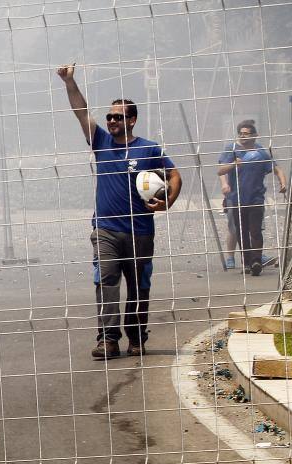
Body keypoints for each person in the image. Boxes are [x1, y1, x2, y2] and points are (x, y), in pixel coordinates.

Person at [57, 64, 182, 360]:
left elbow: (175, 176)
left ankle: (137, 337)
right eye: (110, 116)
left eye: (118, 117)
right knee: (107, 282)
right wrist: (69, 81)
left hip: (140, 231)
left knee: (139, 286)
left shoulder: (149, 149)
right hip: (106, 231)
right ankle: (108, 340)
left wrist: (168, 202)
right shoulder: (100, 142)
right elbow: (81, 111)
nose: (111, 120)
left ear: (132, 120)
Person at [218, 119, 287, 275]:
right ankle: (246, 262)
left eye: (246, 134)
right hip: (236, 199)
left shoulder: (261, 153)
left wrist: (283, 184)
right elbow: (220, 170)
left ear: (254, 136)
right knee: (240, 232)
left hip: (256, 199)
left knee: (255, 231)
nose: (243, 136)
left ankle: (256, 261)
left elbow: (277, 169)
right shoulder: (232, 149)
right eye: (241, 134)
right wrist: (232, 168)